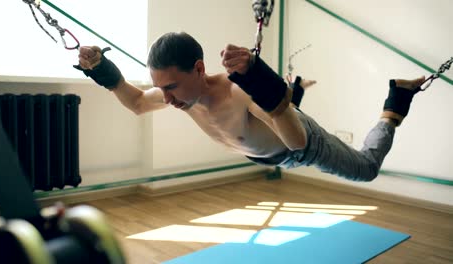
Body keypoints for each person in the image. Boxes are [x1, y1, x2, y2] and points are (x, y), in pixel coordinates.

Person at [75, 32, 425, 182]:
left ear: (198, 69)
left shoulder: (237, 94)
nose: (166, 99)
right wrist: (103, 72)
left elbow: (298, 144)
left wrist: (262, 84)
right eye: (161, 87)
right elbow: (136, 101)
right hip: (269, 144)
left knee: (366, 170)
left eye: (171, 87)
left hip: (300, 144)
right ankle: (294, 90)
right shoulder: (182, 96)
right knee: (281, 106)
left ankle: (397, 98)